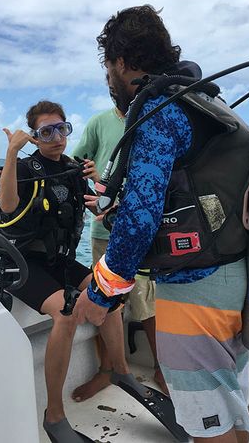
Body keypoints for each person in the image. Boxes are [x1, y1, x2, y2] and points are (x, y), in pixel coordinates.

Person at [74, 6, 249, 443]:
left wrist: (101, 294)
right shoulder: (205, 100)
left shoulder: (159, 108)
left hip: (195, 291)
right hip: (235, 278)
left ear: (119, 62)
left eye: (108, 68)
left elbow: (139, 219)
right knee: (231, 412)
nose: (110, 79)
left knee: (208, 427)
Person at [0, 100, 130, 443]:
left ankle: (118, 371)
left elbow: (101, 208)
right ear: (35, 137)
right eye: (47, 131)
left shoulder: (71, 168)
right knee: (67, 315)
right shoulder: (25, 168)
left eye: (62, 128)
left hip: (60, 259)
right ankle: (53, 415)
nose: (57, 137)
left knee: (110, 292)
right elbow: (8, 206)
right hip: (24, 263)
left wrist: (100, 183)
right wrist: (11, 154)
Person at [71, 84, 167, 399]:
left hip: (143, 232)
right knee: (106, 303)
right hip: (104, 232)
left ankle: (161, 369)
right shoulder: (99, 123)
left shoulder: (154, 119)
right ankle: (107, 371)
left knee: (145, 302)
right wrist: (94, 178)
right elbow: (74, 166)